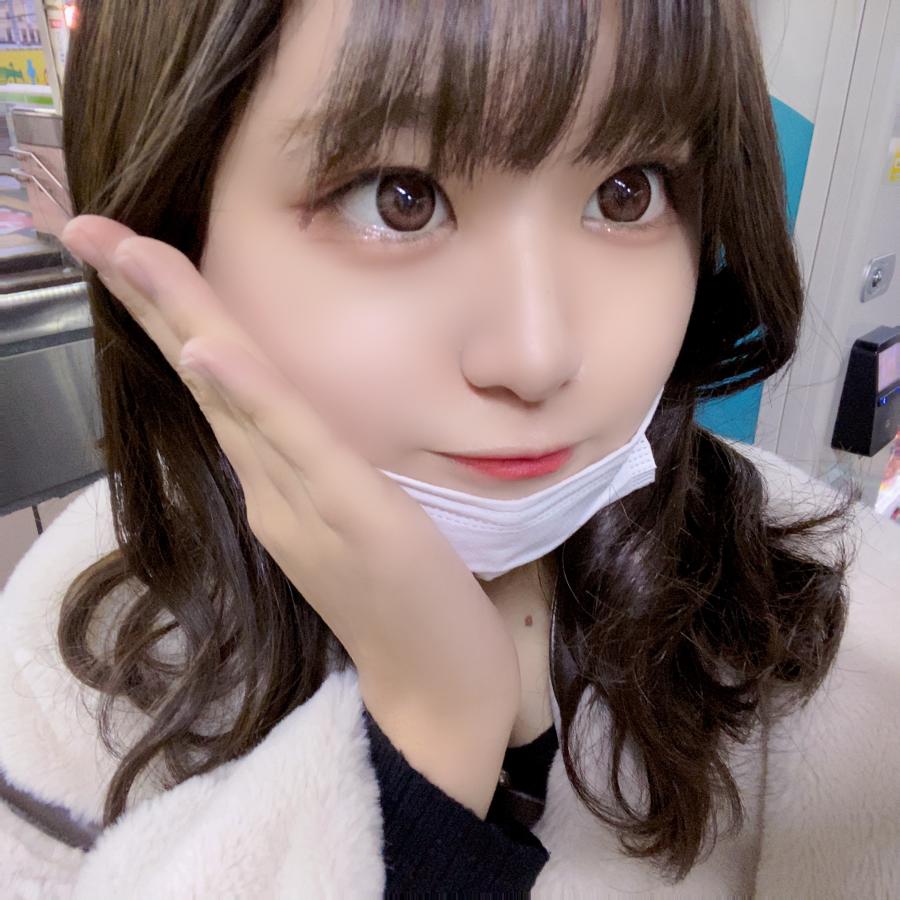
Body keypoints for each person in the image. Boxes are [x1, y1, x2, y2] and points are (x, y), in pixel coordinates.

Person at [2, 0, 898, 895]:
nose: (537, 356)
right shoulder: (70, 664)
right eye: (400, 198)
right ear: (174, 225)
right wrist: (429, 739)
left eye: (628, 192)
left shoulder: (830, 628)